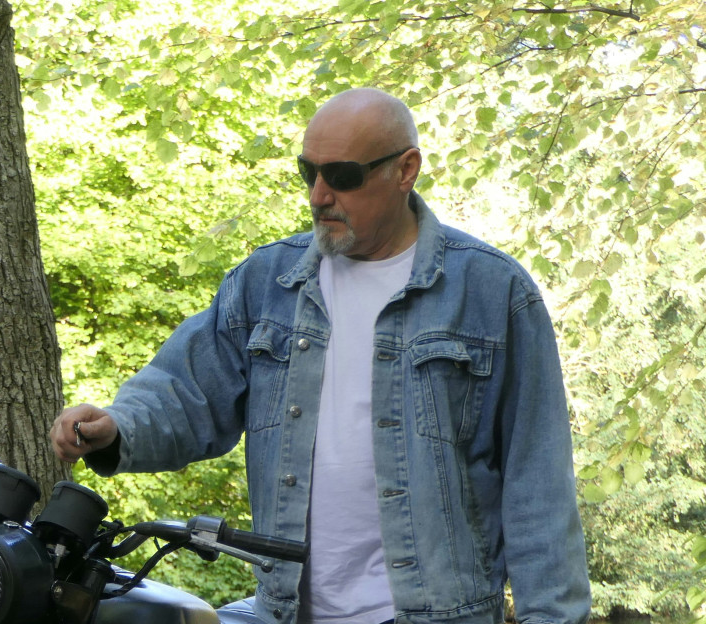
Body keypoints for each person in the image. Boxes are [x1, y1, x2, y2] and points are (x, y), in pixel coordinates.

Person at [49, 88, 591, 624]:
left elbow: (538, 478)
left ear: (406, 170)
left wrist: (550, 616)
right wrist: (118, 427)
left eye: (342, 176)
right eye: (308, 172)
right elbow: (187, 392)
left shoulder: (492, 291)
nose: (318, 195)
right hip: (284, 610)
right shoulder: (266, 281)